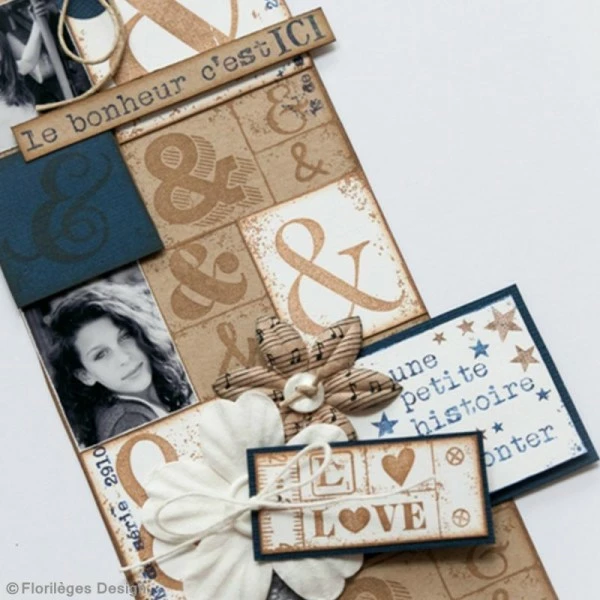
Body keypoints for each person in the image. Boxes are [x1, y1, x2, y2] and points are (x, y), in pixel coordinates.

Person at [48, 281, 194, 448]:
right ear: (85, 375)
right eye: (101, 354)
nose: (124, 358)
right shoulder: (129, 422)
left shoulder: (149, 395)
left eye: (125, 337)